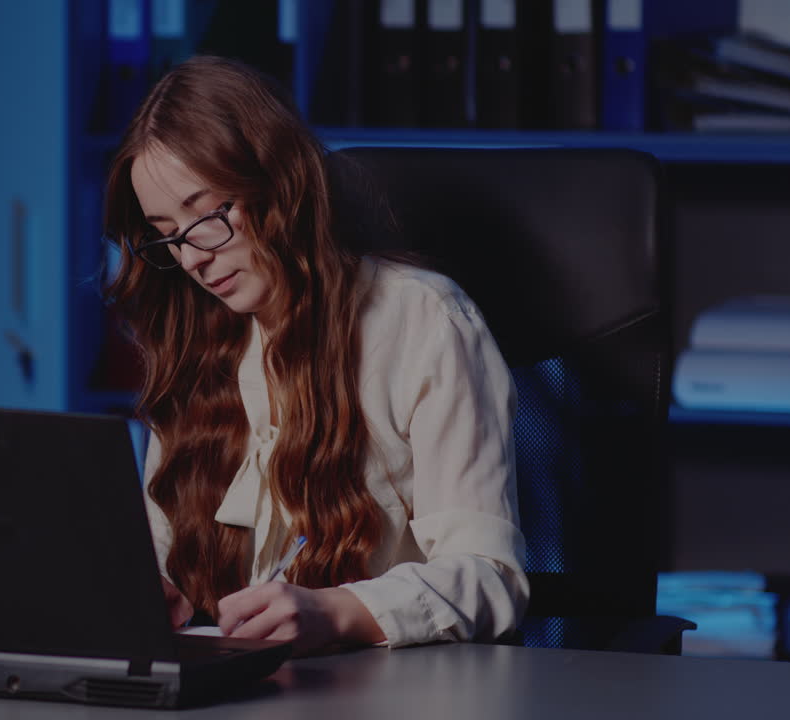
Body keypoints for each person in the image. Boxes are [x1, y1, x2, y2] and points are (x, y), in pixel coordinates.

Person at [102, 56, 528, 655]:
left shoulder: (423, 320)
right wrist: (159, 589)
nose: (193, 258)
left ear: (278, 185)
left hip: (376, 689)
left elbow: (492, 576)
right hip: (229, 684)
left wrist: (340, 612)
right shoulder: (192, 339)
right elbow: (160, 550)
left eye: (206, 216)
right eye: (168, 233)